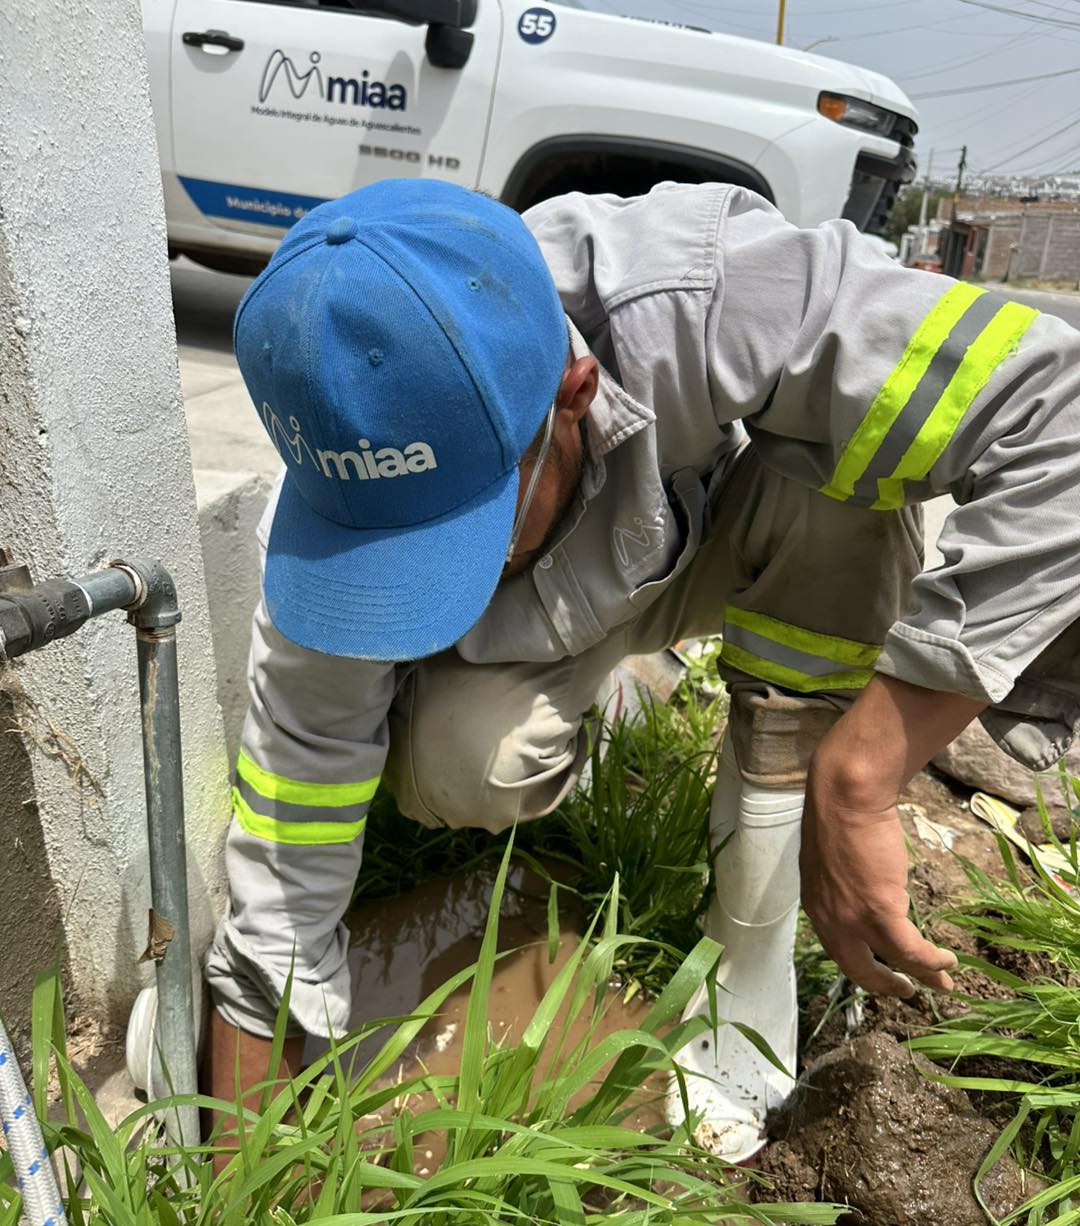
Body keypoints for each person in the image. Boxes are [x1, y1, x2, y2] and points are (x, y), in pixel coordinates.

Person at [131, 177, 1080, 1161]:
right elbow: (297, 806)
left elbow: (1065, 417)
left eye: (465, 529)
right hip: (560, 614)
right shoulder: (345, 464)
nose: (436, 567)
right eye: (391, 555)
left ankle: (748, 956)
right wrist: (240, 1137)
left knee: (848, 489)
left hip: (714, 535)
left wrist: (863, 777)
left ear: (572, 394)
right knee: (468, 764)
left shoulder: (705, 290)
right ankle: (599, 713)